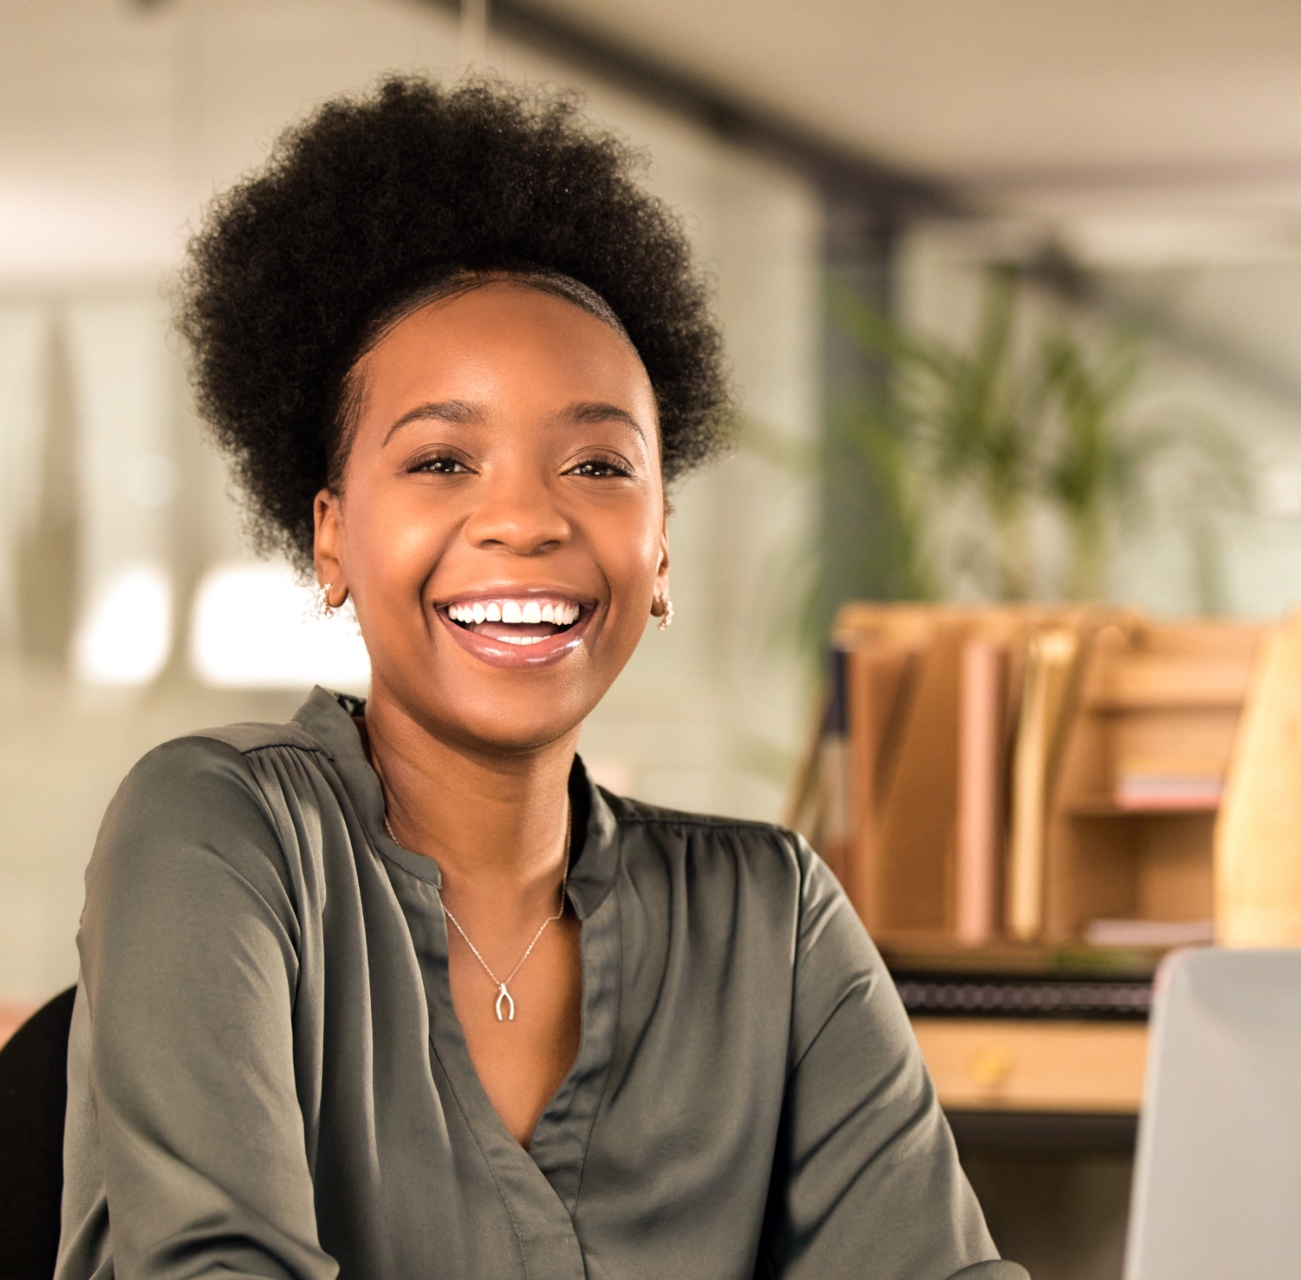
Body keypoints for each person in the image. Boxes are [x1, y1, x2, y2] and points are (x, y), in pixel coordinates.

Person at [56, 76, 1021, 1280]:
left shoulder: (769, 921)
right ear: (332, 538)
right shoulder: (220, 832)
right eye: (443, 458)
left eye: (597, 463)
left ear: (660, 548)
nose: (522, 518)